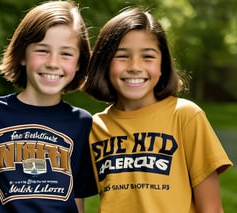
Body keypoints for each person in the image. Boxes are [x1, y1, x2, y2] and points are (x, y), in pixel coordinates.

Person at [0, 1, 97, 212]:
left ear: (80, 62)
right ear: (22, 55)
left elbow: (77, 200)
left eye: (66, 54)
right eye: (42, 50)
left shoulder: (83, 123)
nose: (53, 62)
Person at [84, 7, 233, 213]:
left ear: (162, 64)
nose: (135, 66)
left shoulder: (186, 115)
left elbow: (212, 209)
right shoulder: (94, 127)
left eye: (148, 56)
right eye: (122, 56)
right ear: (104, 63)